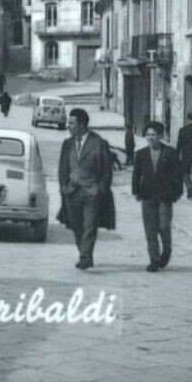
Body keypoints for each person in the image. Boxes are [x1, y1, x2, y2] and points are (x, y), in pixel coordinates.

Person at [57, 108, 115, 270]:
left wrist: (100, 188)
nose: (69, 126)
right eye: (69, 123)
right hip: (72, 192)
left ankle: (85, 257)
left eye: (72, 123)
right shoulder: (67, 144)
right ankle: (84, 252)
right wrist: (64, 187)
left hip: (92, 193)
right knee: (76, 226)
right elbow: (63, 168)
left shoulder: (99, 143)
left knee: (90, 225)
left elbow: (106, 170)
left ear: (82, 125)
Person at [131, 121, 183, 272]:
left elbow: (178, 175)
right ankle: (154, 260)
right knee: (150, 229)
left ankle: (166, 252)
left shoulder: (170, 153)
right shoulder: (141, 154)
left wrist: (176, 194)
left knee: (164, 226)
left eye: (154, 135)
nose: (150, 138)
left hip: (165, 196)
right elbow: (136, 175)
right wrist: (136, 192)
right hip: (147, 196)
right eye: (148, 135)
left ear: (160, 136)